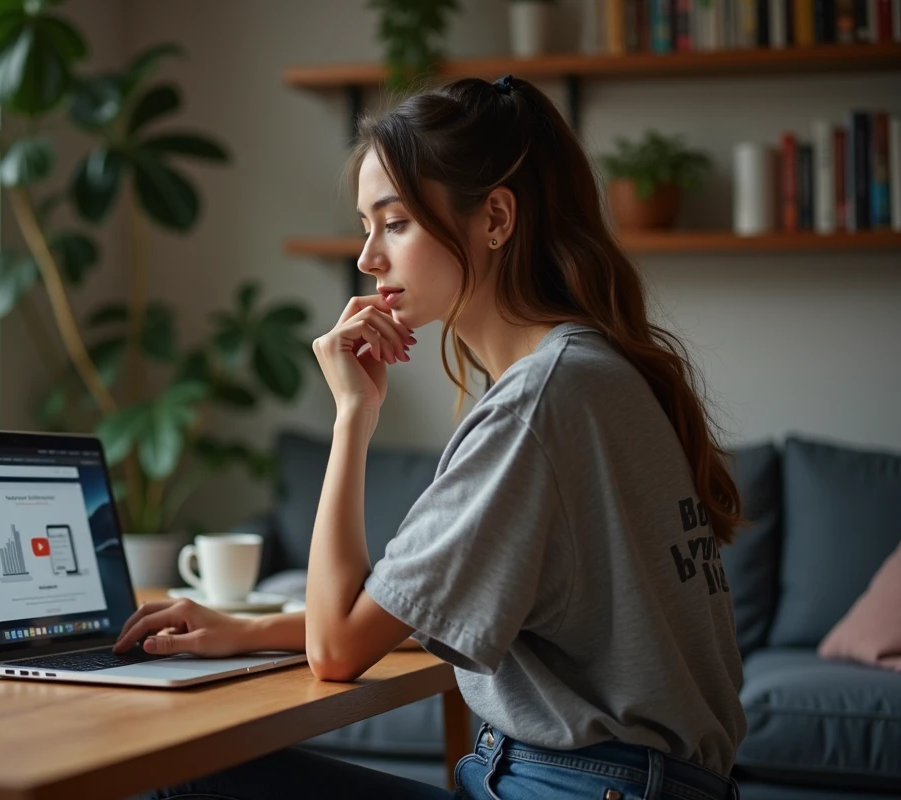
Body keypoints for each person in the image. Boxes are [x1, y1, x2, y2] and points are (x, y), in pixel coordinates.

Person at [116, 74, 747, 800]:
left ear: (497, 218)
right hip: (628, 785)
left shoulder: (538, 403)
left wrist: (352, 418)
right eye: (364, 226)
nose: (367, 258)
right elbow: (406, 614)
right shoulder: (593, 372)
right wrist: (245, 629)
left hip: (577, 789)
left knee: (187, 781)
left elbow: (337, 649)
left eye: (395, 222)